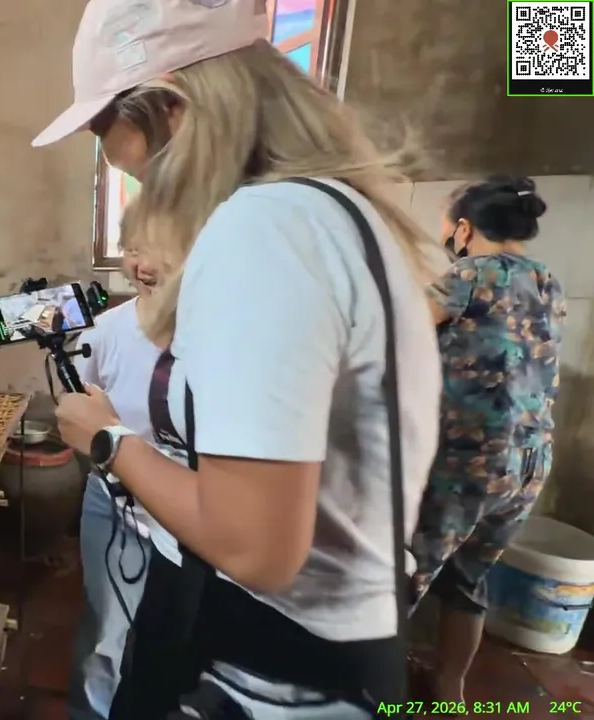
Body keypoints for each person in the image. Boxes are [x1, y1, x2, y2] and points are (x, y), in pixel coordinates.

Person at [34, 0, 446, 717]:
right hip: (322, 636)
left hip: (282, 664)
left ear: (174, 108)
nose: (114, 163)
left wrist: (107, 439)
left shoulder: (265, 228)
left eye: (107, 131)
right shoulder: (329, 211)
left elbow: (255, 546)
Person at [410, 176, 564, 706]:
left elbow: (400, 334)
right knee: (470, 576)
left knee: (407, 571)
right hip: (531, 459)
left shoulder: (469, 274)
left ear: (464, 228)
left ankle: (362, 686)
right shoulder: (547, 280)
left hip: (470, 458)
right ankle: (449, 687)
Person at [70, 220, 170, 720]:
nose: (143, 265)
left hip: (188, 518)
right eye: (133, 249)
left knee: (169, 642)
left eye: (161, 250)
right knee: (103, 635)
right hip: (112, 505)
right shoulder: (106, 331)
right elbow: (77, 409)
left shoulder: (219, 335)